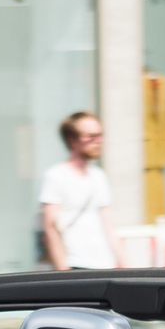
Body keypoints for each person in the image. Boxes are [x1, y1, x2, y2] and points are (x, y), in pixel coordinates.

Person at [39, 112, 122, 271]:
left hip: (105, 264)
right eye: (90, 137)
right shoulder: (56, 175)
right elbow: (50, 228)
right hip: (75, 264)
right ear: (72, 140)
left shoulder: (99, 176)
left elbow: (108, 225)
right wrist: (63, 270)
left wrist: (124, 265)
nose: (98, 141)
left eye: (100, 136)